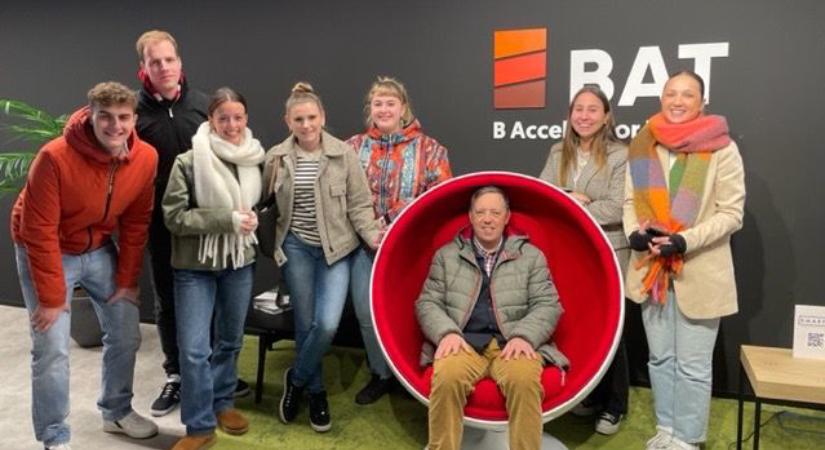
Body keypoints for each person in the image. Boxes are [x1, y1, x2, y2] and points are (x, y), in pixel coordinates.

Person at [11, 81, 159, 450]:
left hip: (98, 247)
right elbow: (38, 230)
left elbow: (137, 222)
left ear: (134, 119)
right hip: (47, 249)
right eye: (105, 117)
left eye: (123, 117)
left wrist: (127, 280)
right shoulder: (55, 156)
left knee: (126, 332)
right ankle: (55, 437)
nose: (115, 126)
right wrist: (50, 297)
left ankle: (116, 411)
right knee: (52, 348)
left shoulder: (145, 158)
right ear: (90, 116)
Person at [623, 70, 745, 450]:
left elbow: (731, 213)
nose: (677, 101)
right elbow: (631, 202)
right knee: (660, 358)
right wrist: (635, 235)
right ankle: (667, 428)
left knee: (692, 366)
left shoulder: (722, 148)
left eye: (687, 95)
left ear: (701, 102)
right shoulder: (644, 144)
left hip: (699, 272)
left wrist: (682, 241)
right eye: (671, 93)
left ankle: (688, 438)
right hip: (651, 271)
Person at [263, 82, 381, 432]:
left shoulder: (344, 154)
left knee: (326, 324)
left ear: (323, 117)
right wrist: (273, 244)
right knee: (305, 323)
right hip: (296, 248)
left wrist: (374, 238)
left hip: (337, 251)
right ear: (288, 121)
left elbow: (360, 204)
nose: (306, 125)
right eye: (298, 118)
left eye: (312, 117)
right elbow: (266, 206)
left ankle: (296, 379)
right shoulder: (276, 157)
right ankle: (316, 393)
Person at [416, 186, 567, 450]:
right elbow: (427, 303)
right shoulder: (446, 256)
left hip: (511, 345)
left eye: (495, 212)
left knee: (523, 380)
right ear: (471, 217)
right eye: (481, 212)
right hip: (462, 343)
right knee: (447, 376)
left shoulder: (531, 257)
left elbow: (548, 304)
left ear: (506, 217)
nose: (488, 219)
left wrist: (524, 337)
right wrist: (447, 333)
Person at [162, 87, 264, 450]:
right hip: (195, 268)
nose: (231, 124)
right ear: (211, 120)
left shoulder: (254, 158)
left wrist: (253, 221)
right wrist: (230, 220)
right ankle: (199, 425)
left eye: (238, 117)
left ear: (246, 119)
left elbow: (261, 207)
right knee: (192, 349)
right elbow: (174, 218)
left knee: (230, 341)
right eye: (223, 118)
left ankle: (223, 403)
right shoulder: (188, 162)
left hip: (239, 263)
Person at [345, 76, 452, 404]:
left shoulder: (430, 149)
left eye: (391, 102)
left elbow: (440, 196)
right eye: (378, 103)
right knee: (366, 312)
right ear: (370, 109)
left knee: (412, 311)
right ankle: (382, 374)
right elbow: (341, 193)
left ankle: (412, 374)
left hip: (410, 247)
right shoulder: (352, 148)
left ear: (403, 108)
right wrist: (369, 229)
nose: (384, 109)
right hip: (364, 247)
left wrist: (393, 220)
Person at [134, 29, 218, 417]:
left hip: (205, 224)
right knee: (168, 300)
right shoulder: (132, 116)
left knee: (209, 297)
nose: (164, 67)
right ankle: (176, 375)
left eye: (169, 60)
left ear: (180, 62)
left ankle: (213, 372)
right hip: (160, 226)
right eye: (155, 62)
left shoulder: (204, 106)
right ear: (144, 69)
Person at [539, 86, 630, 435]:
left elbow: (620, 206)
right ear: (570, 114)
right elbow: (545, 192)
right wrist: (569, 197)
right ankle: (590, 396)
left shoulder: (620, 155)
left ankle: (615, 405)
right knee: (582, 327)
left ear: (606, 116)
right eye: (579, 109)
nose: (585, 116)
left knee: (612, 331)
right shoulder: (557, 151)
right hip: (571, 251)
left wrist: (579, 203)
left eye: (593, 109)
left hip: (610, 251)